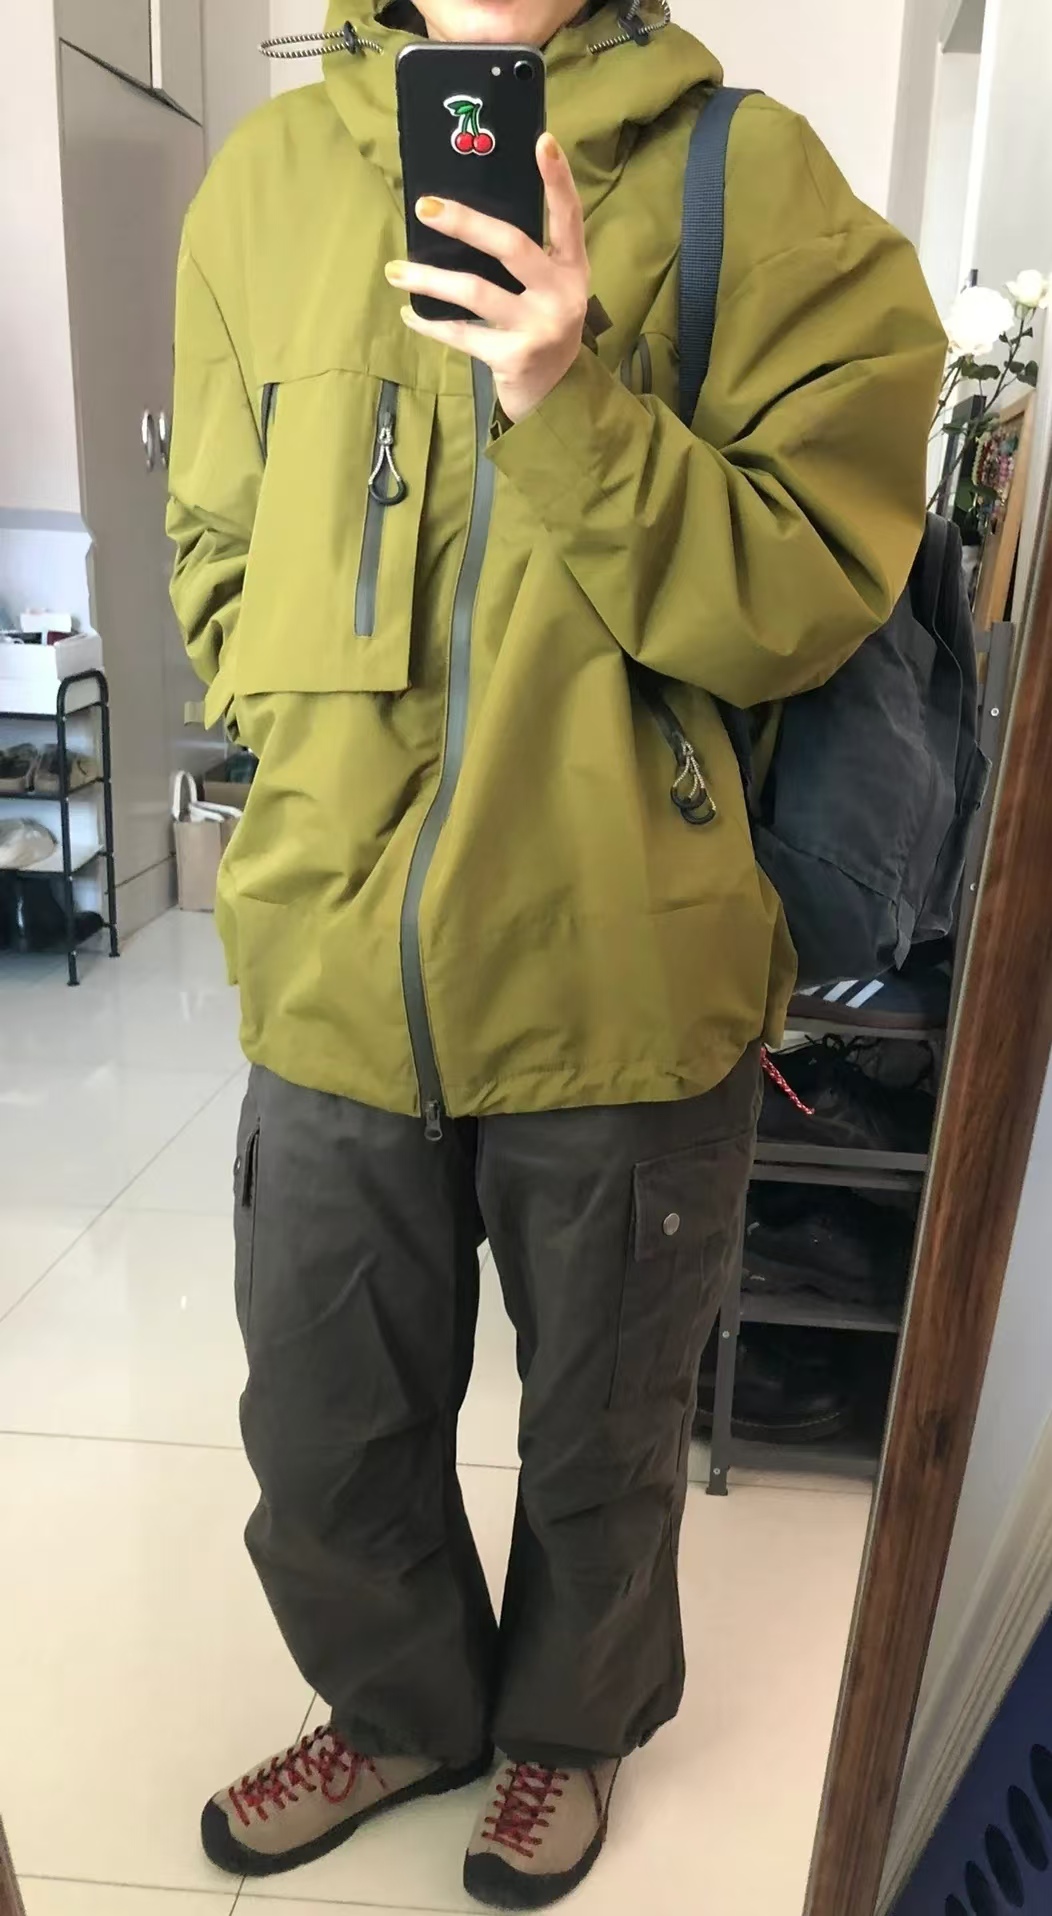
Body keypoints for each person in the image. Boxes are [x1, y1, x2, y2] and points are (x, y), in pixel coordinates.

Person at [167, 0, 944, 1903]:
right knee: (324, 1419)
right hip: (338, 953)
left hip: (627, 955)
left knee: (605, 1424)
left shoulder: (759, 182)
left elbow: (812, 591)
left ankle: (565, 1737)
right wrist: (292, 738)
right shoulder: (264, 184)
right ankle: (400, 1710)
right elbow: (212, 536)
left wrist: (567, 396)